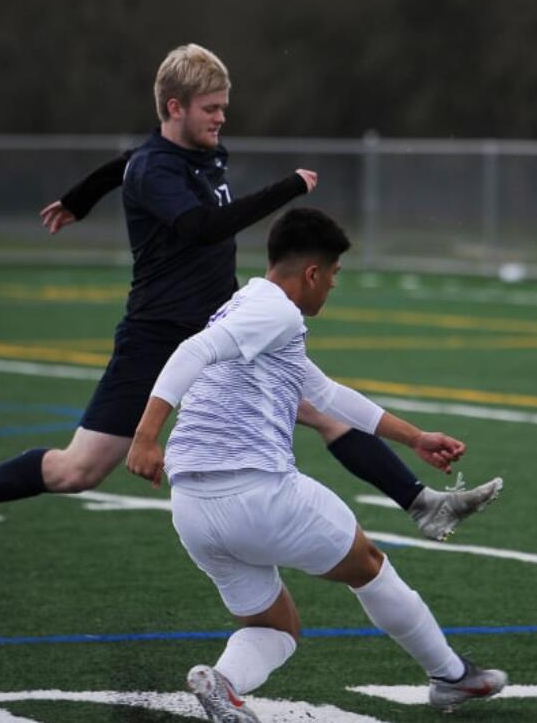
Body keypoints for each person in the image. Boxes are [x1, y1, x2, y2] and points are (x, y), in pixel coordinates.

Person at [0, 44, 502, 561]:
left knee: (322, 411)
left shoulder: (188, 151)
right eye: (211, 108)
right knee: (78, 470)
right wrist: (287, 188)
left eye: (223, 107)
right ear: (175, 109)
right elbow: (201, 227)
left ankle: (424, 504)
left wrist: (78, 198)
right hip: (157, 337)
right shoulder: (156, 171)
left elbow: (122, 162)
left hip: (224, 327)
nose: (222, 118)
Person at [126, 208, 507, 720]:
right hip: (256, 493)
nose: (331, 285)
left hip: (192, 508)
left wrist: (415, 437)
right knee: (368, 564)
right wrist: (146, 436)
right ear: (311, 273)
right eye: (333, 275)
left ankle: (221, 682)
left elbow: (324, 393)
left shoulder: (249, 306)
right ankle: (450, 677)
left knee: (275, 626)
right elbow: (192, 350)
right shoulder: (277, 313)